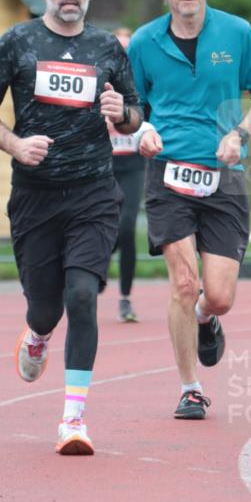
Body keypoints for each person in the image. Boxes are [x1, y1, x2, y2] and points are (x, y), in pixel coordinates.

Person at [0, 0, 142, 456]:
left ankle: (73, 420)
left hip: (93, 193)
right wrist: (15, 144)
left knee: (82, 296)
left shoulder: (106, 46)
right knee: (45, 309)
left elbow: (133, 110)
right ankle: (38, 335)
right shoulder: (18, 41)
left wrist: (123, 113)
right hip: (35, 198)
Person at [128, 0, 251, 421]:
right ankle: (190, 387)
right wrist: (141, 132)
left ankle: (207, 320)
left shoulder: (237, 32)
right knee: (184, 283)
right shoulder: (144, 43)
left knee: (218, 296)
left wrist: (239, 132)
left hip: (224, 174)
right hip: (168, 174)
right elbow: (132, 109)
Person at [107, 27, 149, 323]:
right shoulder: (99, 81)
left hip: (133, 164)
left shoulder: (140, 83)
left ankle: (124, 297)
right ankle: (93, 267)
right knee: (104, 228)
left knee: (127, 227)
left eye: (128, 48)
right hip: (104, 166)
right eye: (119, 48)